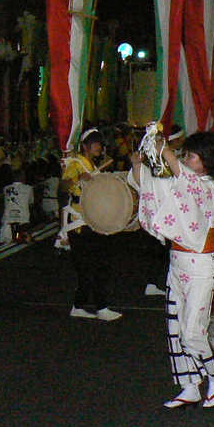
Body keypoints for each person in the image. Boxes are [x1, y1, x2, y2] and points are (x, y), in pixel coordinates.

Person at [131, 132, 214, 408]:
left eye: (191, 156)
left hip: (201, 265)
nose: (185, 160)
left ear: (206, 161)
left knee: (192, 332)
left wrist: (167, 152)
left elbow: (189, 185)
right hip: (178, 263)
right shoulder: (184, 183)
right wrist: (140, 165)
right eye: (184, 155)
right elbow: (151, 189)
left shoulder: (211, 187)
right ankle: (190, 385)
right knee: (175, 328)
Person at [61, 128, 122, 321]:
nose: (99, 147)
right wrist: (78, 179)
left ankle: (79, 306)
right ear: (85, 145)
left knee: (91, 267)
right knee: (94, 266)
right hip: (81, 224)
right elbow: (63, 186)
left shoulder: (91, 164)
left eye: (100, 144)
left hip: (93, 220)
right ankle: (101, 307)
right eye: (95, 143)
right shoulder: (76, 164)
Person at [0, 168, 35, 244]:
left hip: (8, 219)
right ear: (23, 178)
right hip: (22, 220)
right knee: (22, 231)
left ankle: (17, 236)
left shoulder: (6, 188)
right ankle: (21, 236)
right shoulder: (28, 188)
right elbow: (31, 203)